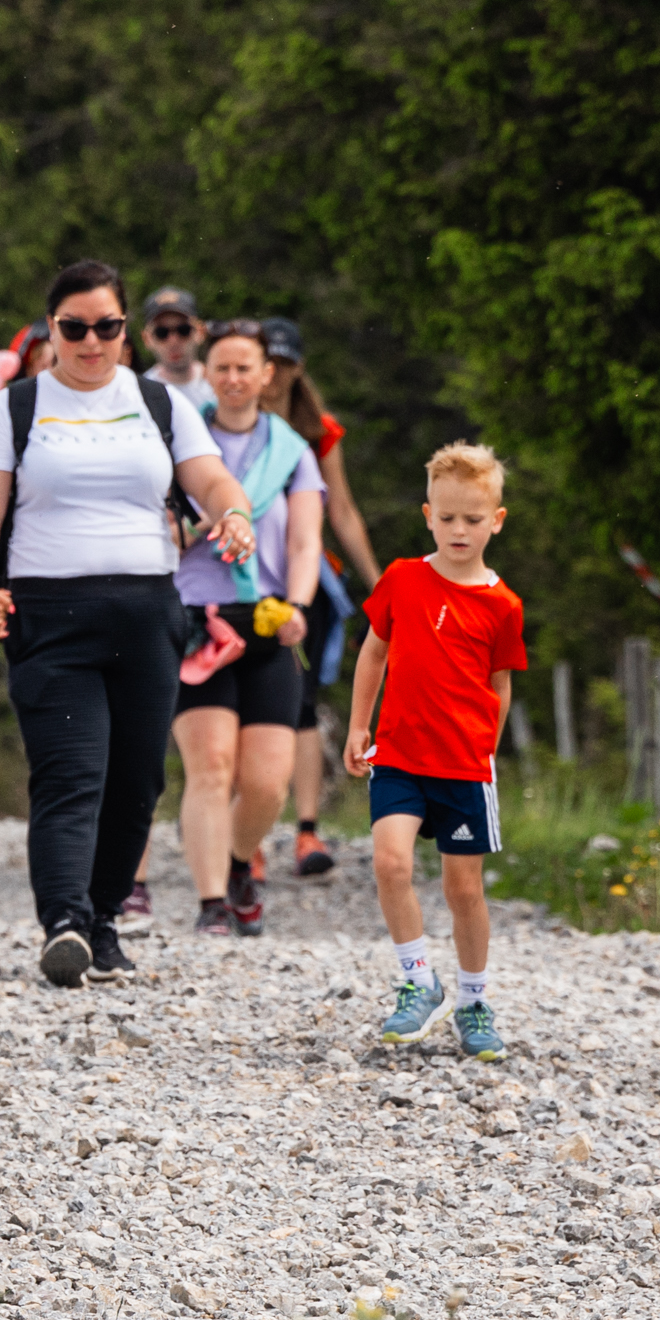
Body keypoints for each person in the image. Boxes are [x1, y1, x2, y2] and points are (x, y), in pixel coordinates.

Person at [0, 259, 258, 988]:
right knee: (71, 772)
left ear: (125, 328)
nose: (92, 341)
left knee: (137, 779)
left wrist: (234, 510)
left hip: (149, 609)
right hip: (50, 611)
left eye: (108, 326)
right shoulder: (16, 406)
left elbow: (207, 477)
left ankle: (104, 920)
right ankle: (63, 921)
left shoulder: (158, 401)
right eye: (75, 327)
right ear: (51, 329)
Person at [344, 442, 532, 1062]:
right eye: (447, 517)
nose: (459, 530)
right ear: (428, 515)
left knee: (464, 888)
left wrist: (487, 750)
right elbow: (374, 652)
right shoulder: (402, 580)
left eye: (472, 519)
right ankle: (419, 980)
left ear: (496, 521)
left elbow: (500, 685)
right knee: (390, 864)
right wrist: (357, 726)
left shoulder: (502, 605)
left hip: (463, 768)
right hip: (398, 754)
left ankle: (474, 999)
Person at [169, 321, 324, 937]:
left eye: (245, 369)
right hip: (196, 617)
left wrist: (299, 605)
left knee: (266, 781)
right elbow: (159, 534)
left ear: (268, 376)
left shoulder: (292, 452)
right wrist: (205, 522)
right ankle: (210, 903)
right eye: (222, 368)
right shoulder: (184, 446)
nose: (233, 379)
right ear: (206, 372)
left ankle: (238, 865)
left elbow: (308, 540)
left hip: (266, 616)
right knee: (210, 764)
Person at [259, 316, 384, 878]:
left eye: (286, 361)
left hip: (308, 581)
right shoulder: (226, 426)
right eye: (271, 360)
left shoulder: (317, 431)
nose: (277, 372)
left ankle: (307, 829)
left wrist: (381, 583)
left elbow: (343, 510)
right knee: (251, 709)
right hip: (246, 579)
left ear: (298, 366)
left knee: (302, 704)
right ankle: (252, 834)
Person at [138, 286, 210, 408]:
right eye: (162, 333)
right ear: (147, 338)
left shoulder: (221, 385)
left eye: (183, 330)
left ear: (200, 332)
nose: (173, 341)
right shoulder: (139, 393)